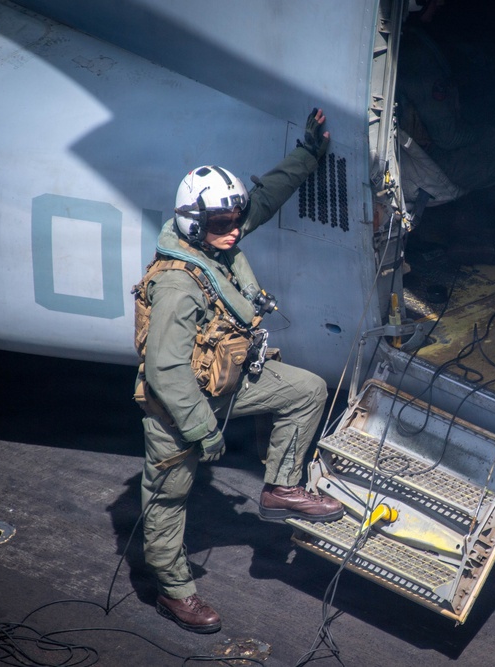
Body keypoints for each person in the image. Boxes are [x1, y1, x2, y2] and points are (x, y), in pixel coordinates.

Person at [131, 108, 343, 634]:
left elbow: (264, 199)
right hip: (180, 408)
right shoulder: (179, 284)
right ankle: (174, 593)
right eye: (222, 225)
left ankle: (280, 489)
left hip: (228, 383)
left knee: (307, 390)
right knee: (168, 498)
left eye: (233, 222)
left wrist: (308, 154)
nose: (233, 233)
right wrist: (202, 430)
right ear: (196, 225)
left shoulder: (214, 237)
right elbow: (164, 369)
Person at [398, 2, 495, 279]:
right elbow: (450, 137)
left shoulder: (419, 38)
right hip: (432, 163)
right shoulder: (417, 53)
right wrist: (489, 130)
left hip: (425, 153)